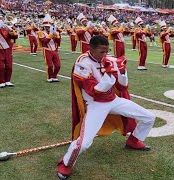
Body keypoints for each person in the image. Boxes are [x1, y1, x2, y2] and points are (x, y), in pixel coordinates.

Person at [56, 35, 155, 179]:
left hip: (113, 100)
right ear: (91, 49)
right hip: (96, 104)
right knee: (84, 144)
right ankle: (65, 164)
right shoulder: (82, 62)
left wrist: (122, 71)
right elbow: (95, 91)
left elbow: (122, 86)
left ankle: (133, 140)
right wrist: (109, 73)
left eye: (106, 51)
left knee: (149, 117)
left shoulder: (108, 58)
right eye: (101, 52)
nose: (105, 55)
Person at [37, 14, 61, 83]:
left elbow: (58, 42)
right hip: (47, 50)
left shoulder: (53, 33)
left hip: (54, 50)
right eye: (46, 27)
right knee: (50, 65)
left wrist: (57, 35)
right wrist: (51, 34)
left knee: (58, 65)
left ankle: (54, 76)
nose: (48, 28)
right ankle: (50, 77)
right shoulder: (41, 33)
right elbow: (44, 41)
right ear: (44, 27)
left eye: (49, 26)